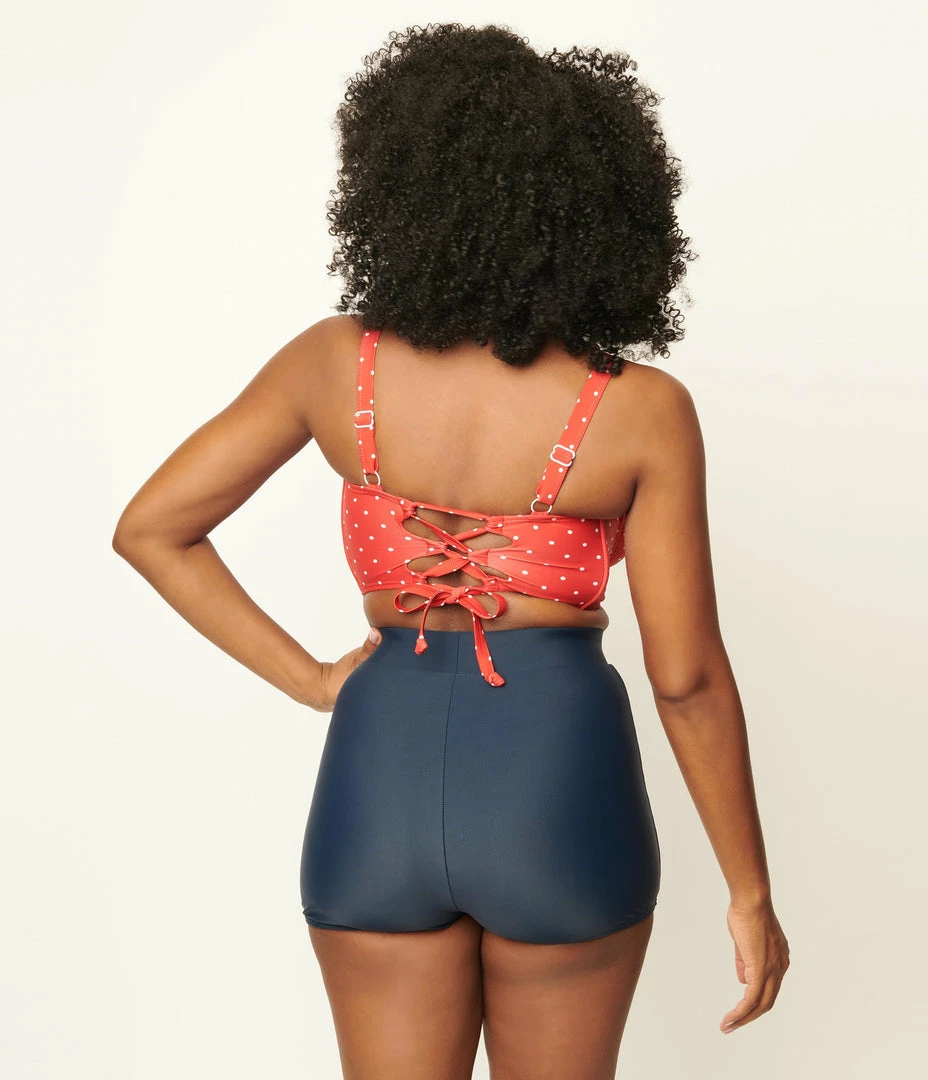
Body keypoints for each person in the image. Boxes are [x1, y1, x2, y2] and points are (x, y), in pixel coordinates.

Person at [112, 21, 789, 1079]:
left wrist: (317, 681)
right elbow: (686, 679)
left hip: (374, 775)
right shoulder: (640, 410)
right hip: (558, 783)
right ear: (605, 212)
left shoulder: (336, 364)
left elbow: (151, 527)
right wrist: (749, 893)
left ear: (401, 187)